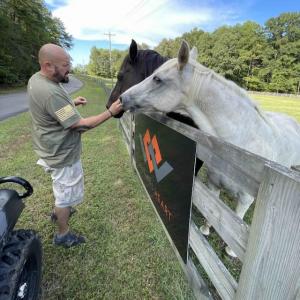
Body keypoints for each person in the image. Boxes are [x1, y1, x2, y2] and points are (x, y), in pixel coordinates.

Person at [28, 43, 122, 248]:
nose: (69, 68)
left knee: (61, 188)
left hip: (48, 146)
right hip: (61, 153)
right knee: (65, 195)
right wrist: (111, 112)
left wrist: (70, 103)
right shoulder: (51, 93)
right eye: (64, 65)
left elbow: (53, 108)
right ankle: (63, 234)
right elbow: (80, 125)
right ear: (48, 66)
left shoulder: (37, 79)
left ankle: (58, 213)